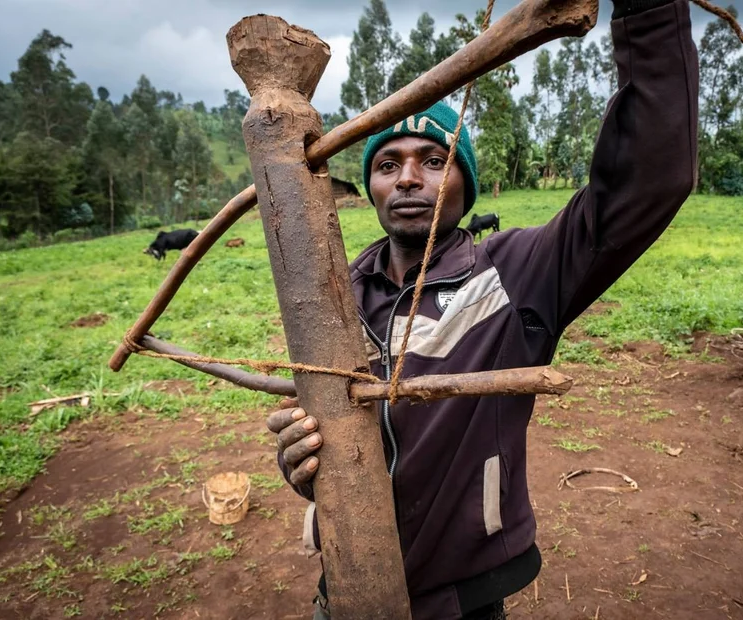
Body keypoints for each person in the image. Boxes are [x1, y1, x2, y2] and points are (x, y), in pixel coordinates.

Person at [267, 0, 699, 617]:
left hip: (461, 599)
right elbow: (329, 443)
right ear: (371, 187)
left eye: (435, 160)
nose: (409, 178)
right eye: (388, 164)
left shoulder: (518, 274)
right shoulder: (337, 297)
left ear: (465, 183)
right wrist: (302, 459)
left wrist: (650, 12)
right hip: (347, 585)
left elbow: (648, 178)